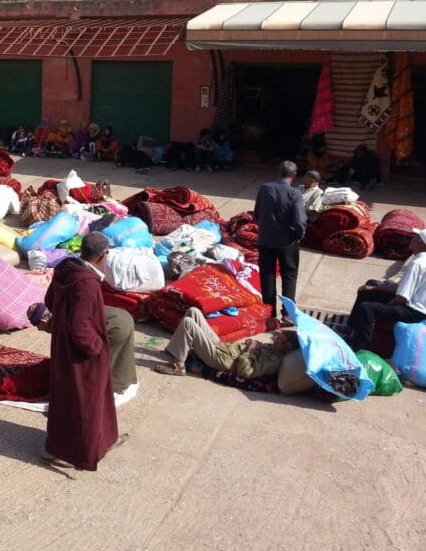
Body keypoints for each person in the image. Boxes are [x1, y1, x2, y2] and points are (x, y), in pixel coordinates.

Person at [42, 232, 128, 471]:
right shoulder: (86, 283)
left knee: (68, 399)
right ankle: (75, 452)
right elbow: (80, 327)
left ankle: (96, 442)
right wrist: (97, 347)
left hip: (63, 347)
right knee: (86, 402)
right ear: (102, 256)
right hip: (81, 356)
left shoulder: (65, 268)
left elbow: (50, 300)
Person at [28, 299, 139, 406]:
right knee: (120, 354)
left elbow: (74, 356)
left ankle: (109, 388)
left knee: (94, 363)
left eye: (37, 325)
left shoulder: (60, 325)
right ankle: (124, 380)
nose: (38, 329)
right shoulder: (61, 310)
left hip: (113, 326)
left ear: (44, 320)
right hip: (123, 316)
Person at [348, 228, 426, 351]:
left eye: (415, 237)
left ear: (419, 241)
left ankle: (360, 346)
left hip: (415, 313)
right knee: (369, 288)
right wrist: (374, 288)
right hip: (418, 307)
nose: (412, 239)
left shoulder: (417, 264)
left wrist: (384, 305)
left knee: (367, 308)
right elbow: (402, 287)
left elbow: (401, 298)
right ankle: (351, 328)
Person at [154, 307, 298, 379]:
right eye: (277, 337)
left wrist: (249, 350)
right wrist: (251, 345)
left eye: (280, 341)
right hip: (223, 348)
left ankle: (179, 366)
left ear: (286, 348)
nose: (275, 339)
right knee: (193, 311)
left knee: (188, 323)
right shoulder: (273, 349)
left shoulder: (273, 361)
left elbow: (246, 372)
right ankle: (176, 348)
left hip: (222, 359)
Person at [254, 161, 307, 317]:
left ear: (278, 172)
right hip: (287, 242)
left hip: (266, 241)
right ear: (294, 175)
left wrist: (265, 230)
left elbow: (256, 213)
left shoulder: (264, 189)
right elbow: (300, 221)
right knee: (289, 276)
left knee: (267, 276)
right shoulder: (295, 194)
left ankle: (269, 313)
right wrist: (297, 236)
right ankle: (288, 313)